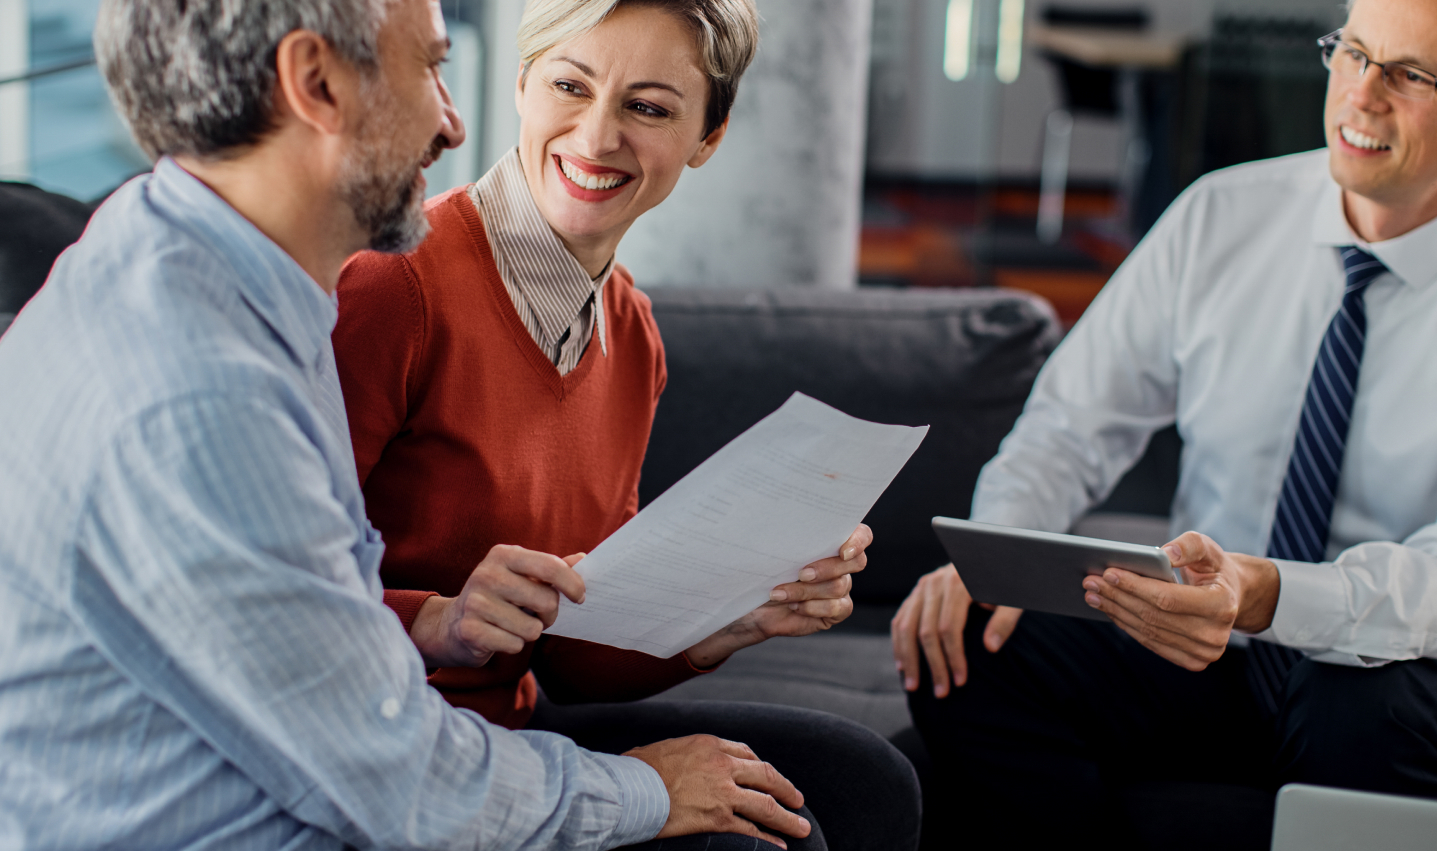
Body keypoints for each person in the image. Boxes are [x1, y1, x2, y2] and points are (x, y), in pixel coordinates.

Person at [0, 0, 836, 848]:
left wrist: (722, 616)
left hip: (371, 771)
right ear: (317, 84)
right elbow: (397, 775)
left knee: (845, 787)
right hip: (312, 805)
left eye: (649, 106)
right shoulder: (210, 392)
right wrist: (647, 791)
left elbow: (404, 651)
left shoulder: (209, 286)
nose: (452, 120)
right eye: (431, 66)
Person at [890, 0, 1437, 845]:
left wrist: (1270, 595)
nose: (1362, 96)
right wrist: (1002, 551)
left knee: (1362, 691)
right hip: (1202, 639)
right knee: (972, 641)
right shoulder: (1219, 216)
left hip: (1414, 666)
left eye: (1411, 74)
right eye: (1352, 54)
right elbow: (1071, 424)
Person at [329, 2, 919, 849]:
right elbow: (260, 595)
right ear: (523, 84)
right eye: (570, 86)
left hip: (519, 734)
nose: (598, 137)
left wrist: (742, 615)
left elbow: (574, 655)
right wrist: (442, 616)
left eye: (648, 107)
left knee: (866, 782)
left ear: (706, 138)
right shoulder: (394, 286)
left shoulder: (632, 334)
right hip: (388, 745)